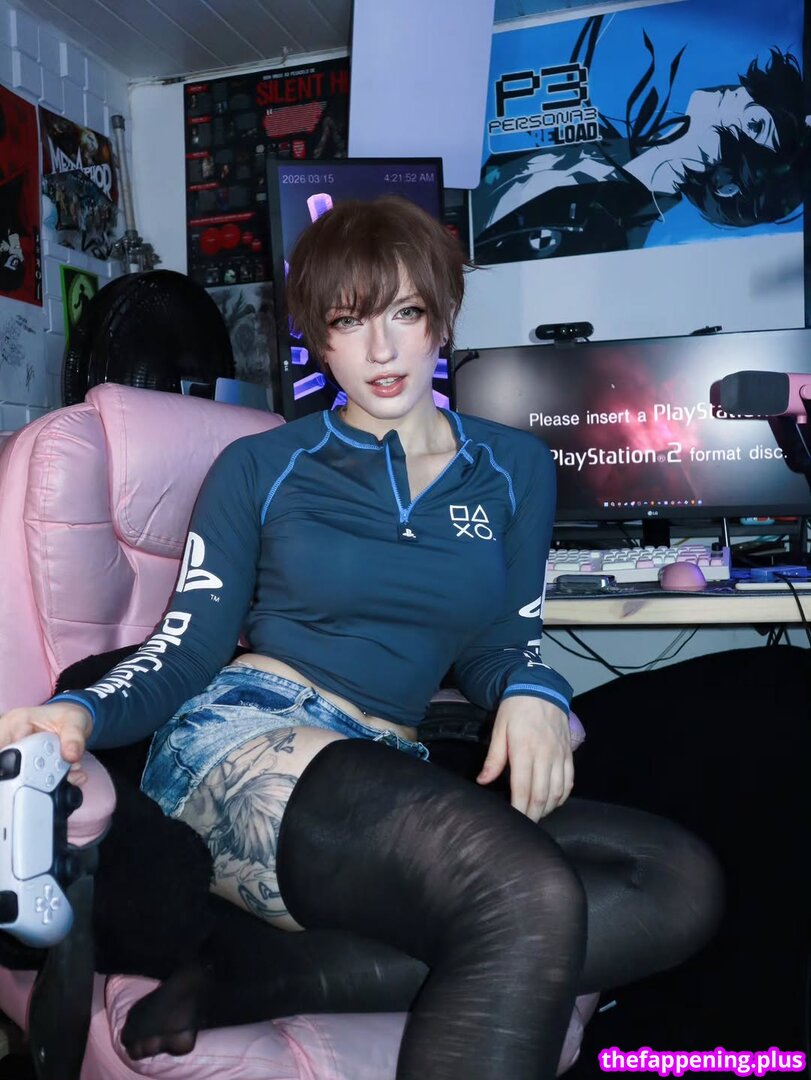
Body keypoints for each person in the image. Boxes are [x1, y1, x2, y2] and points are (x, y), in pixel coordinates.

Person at [0, 196, 723, 1079]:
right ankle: (253, 969)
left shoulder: (515, 468)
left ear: (442, 318)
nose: (380, 350)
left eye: (403, 313)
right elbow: (184, 646)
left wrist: (534, 690)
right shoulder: (262, 465)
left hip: (388, 762)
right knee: (519, 892)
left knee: (675, 884)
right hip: (250, 735)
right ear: (318, 338)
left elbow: (501, 642)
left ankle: (257, 975)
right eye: (348, 322)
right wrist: (77, 709)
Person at [474, 15, 806, 262]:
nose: (742, 94)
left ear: (727, 184)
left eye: (755, 124)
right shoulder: (598, 147)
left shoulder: (609, 235)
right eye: (754, 95)